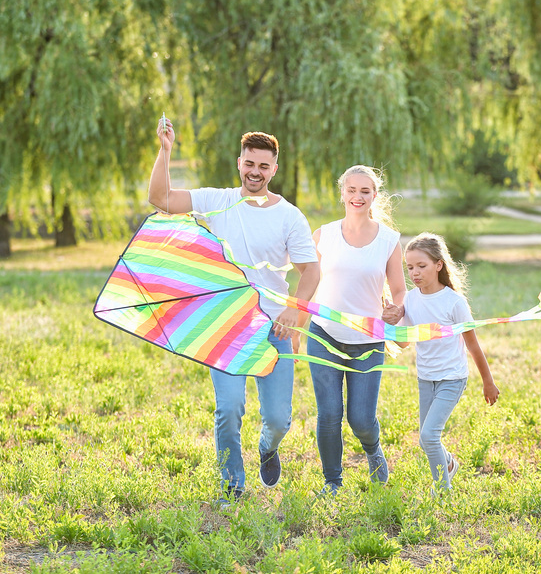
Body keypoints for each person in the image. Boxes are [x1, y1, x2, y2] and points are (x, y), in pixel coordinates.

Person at [148, 119, 320, 505]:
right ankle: (232, 484)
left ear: (275, 169)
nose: (255, 172)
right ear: (238, 163)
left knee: (278, 419)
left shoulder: (290, 216)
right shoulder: (217, 200)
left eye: (263, 166)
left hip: (274, 328)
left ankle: (267, 446)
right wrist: (165, 150)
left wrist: (296, 314)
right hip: (225, 324)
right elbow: (160, 199)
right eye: (249, 164)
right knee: (228, 409)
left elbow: (312, 271)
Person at [299, 165, 407, 495]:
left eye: (365, 191)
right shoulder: (324, 235)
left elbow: (399, 289)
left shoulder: (389, 241)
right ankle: (332, 481)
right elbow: (308, 279)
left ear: (375, 195)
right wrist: (293, 320)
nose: (357, 196)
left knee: (360, 419)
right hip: (323, 335)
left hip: (368, 339)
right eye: (351, 190)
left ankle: (373, 451)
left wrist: (396, 308)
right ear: (342, 192)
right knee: (329, 415)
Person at [382, 233, 499, 491]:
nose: (414, 273)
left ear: (438, 265)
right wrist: (390, 322)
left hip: (452, 377)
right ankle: (448, 464)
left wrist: (488, 382)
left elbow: (472, 345)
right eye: (410, 267)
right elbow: (404, 342)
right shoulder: (410, 299)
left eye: (421, 266)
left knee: (428, 435)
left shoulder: (454, 302)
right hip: (426, 377)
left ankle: (443, 491)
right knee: (426, 441)